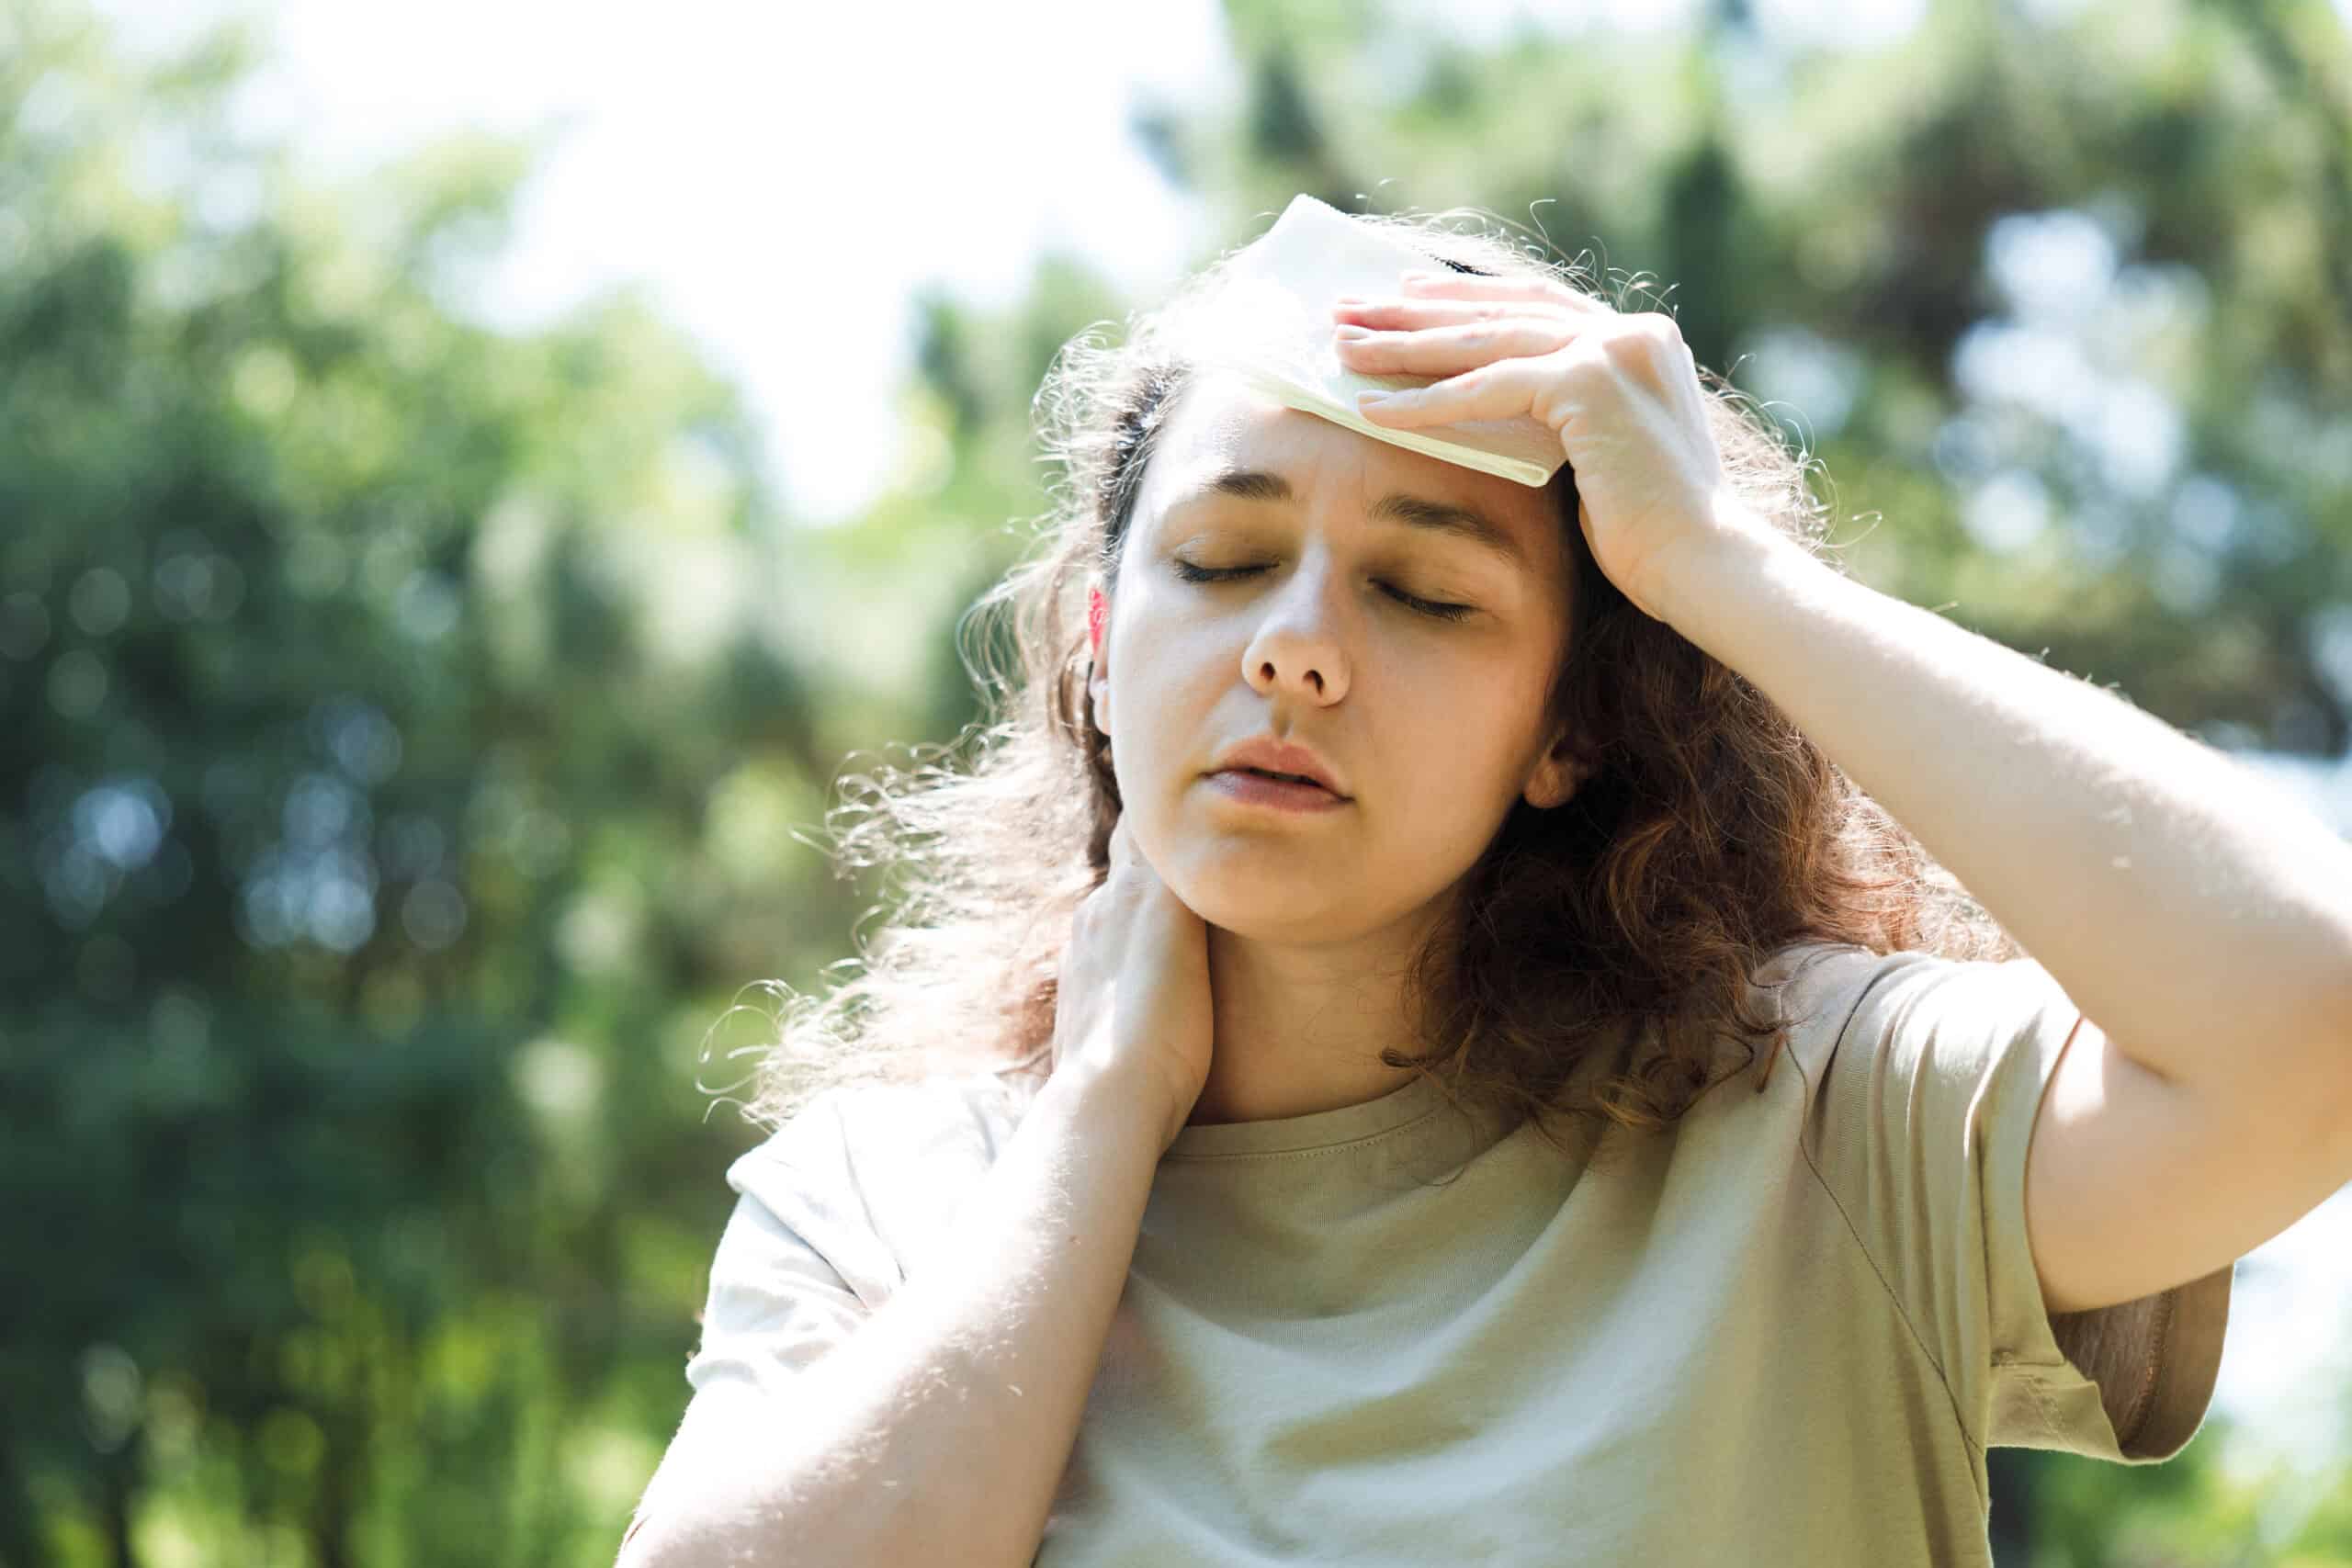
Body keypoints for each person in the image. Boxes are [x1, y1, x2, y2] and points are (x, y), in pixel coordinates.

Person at [613, 199, 2352, 1567]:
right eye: (1221, 561)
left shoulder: (1830, 1116)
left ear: (1571, 727)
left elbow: (2311, 1013)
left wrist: (1716, 567)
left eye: (1426, 596)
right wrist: (1098, 1116)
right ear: (1094, 637)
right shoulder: (888, 1199)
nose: (1293, 650)